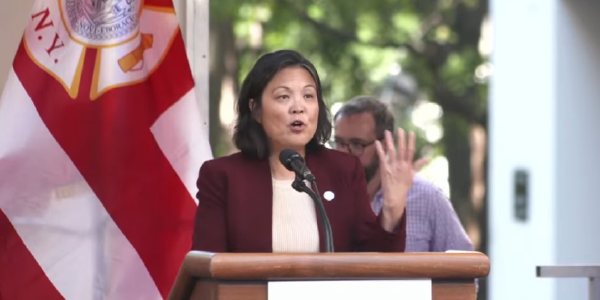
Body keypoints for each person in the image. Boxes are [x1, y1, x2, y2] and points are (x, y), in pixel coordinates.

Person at [192, 50, 424, 253]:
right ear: (256, 110)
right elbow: (209, 269)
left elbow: (370, 260)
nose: (298, 107)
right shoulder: (223, 176)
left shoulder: (343, 169)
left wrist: (393, 210)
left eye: (308, 96)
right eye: (283, 96)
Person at [333, 95, 474, 253]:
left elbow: (465, 269)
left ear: (385, 144)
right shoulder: (323, 195)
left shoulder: (427, 197)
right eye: (339, 142)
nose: (343, 153)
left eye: (357, 144)